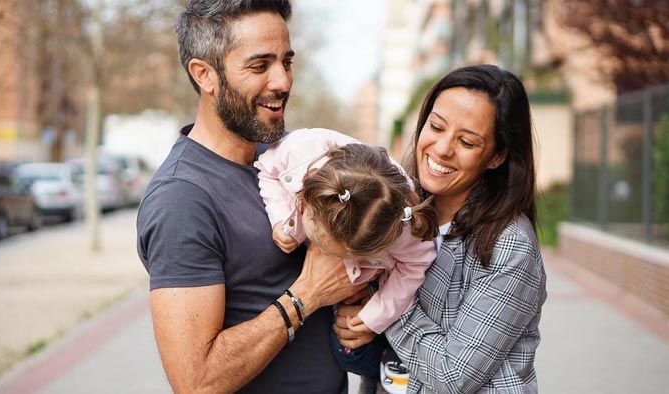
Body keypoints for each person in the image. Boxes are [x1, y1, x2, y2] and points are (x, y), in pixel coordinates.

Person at [136, 1, 362, 392]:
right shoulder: (181, 200)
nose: (283, 82)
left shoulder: (282, 160)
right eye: (260, 66)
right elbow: (196, 382)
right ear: (204, 74)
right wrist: (307, 295)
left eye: (286, 62)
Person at [334, 64, 548, 393]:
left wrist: (381, 309)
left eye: (467, 141)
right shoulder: (396, 209)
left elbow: (453, 375)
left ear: (496, 156)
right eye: (436, 126)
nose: (443, 148)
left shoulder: (509, 245)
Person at [254, 128, 439, 381]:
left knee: (352, 353)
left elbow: (417, 263)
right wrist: (282, 220)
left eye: (336, 252)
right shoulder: (296, 151)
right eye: (321, 244)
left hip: (369, 288)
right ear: (306, 199)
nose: (326, 254)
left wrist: (376, 315)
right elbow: (267, 172)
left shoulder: (402, 228)